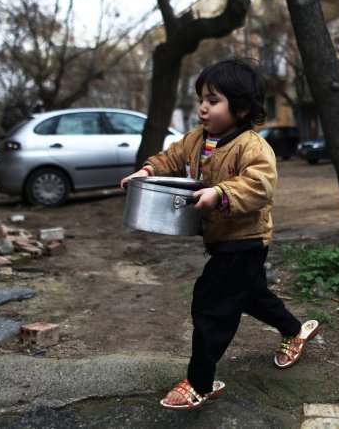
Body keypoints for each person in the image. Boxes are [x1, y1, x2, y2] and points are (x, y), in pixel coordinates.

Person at [120, 58, 319, 411]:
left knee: (211, 306)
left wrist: (220, 193)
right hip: (220, 238)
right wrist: (146, 171)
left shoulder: (253, 146)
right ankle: (294, 330)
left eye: (213, 100)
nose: (203, 108)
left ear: (241, 108)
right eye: (201, 99)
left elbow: (260, 186)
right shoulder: (197, 139)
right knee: (251, 295)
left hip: (245, 239)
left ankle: (200, 382)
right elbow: (170, 158)